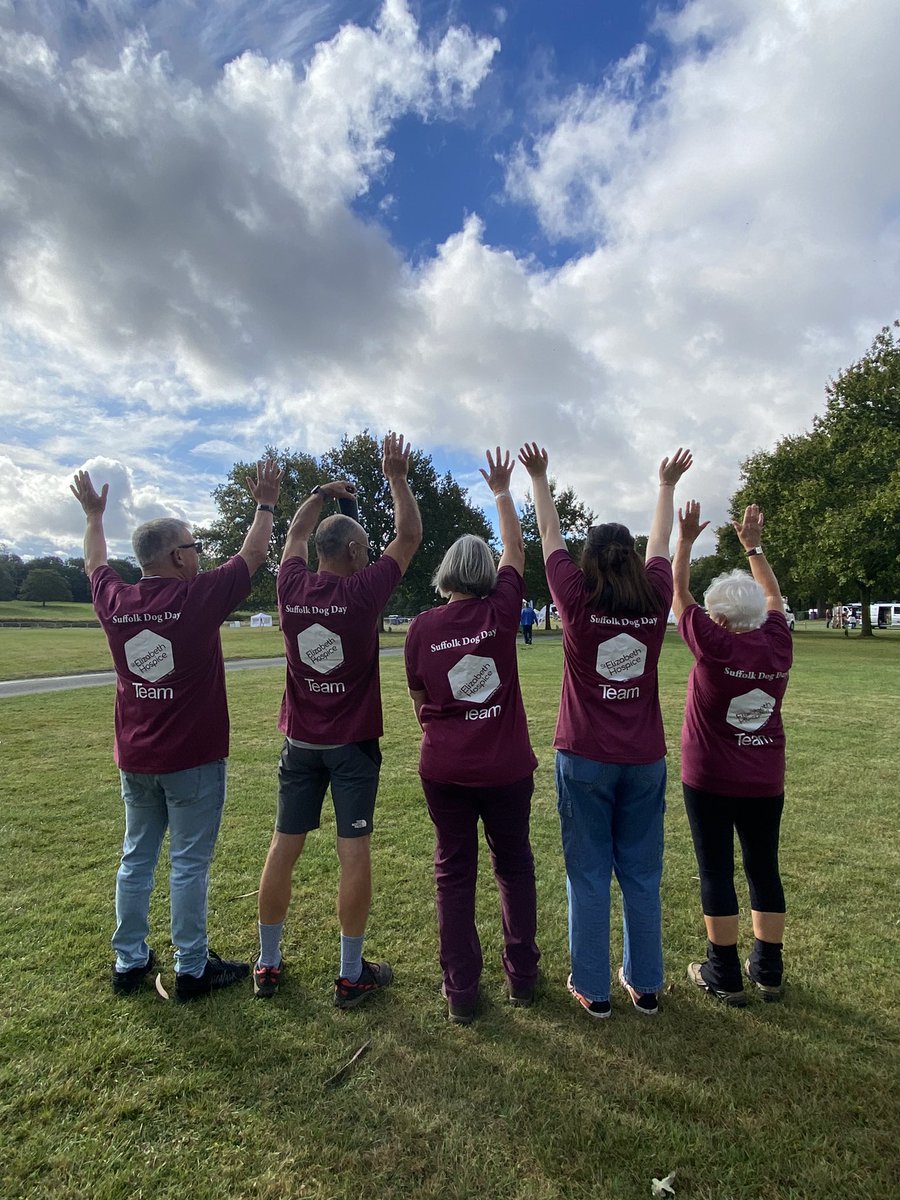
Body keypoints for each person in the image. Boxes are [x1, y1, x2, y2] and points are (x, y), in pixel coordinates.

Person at [71, 460, 283, 1002]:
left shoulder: (117, 600)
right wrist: (264, 505)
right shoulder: (194, 597)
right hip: (191, 758)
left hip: (136, 757)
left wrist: (94, 517)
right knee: (188, 863)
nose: (199, 555)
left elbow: (94, 562)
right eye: (192, 547)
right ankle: (192, 969)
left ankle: (129, 961)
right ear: (174, 556)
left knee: (136, 856)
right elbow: (253, 557)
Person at [518, 442, 693, 1018]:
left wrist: (541, 477)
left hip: (586, 757)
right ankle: (645, 985)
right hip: (644, 759)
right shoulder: (655, 597)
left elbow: (549, 537)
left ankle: (593, 989)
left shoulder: (575, 598)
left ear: (590, 560)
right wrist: (664, 486)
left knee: (588, 874)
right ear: (632, 558)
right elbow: (662, 543)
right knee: (642, 875)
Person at [253, 432, 422, 1007]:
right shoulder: (362, 593)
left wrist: (322, 491)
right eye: (366, 547)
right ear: (352, 553)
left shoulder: (291, 584)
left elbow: (296, 534)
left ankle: (267, 963)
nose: (374, 553)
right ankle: (351, 974)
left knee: (283, 846)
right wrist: (396, 476)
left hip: (300, 743)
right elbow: (410, 536)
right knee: (354, 852)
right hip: (352, 746)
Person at [404, 449, 540, 1024]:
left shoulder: (421, 627)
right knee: (513, 867)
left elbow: (418, 700)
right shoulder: (502, 611)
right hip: (505, 766)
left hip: (445, 767)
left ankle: (461, 990)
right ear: (484, 575)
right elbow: (516, 551)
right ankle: (523, 979)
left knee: (453, 874)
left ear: (443, 575)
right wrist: (504, 492)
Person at [673, 502, 792, 1005]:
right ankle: (768, 968)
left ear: (718, 618)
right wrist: (753, 547)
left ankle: (723, 972)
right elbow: (773, 596)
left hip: (710, 778)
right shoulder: (777, 643)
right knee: (764, 867)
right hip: (765, 776)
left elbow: (677, 593)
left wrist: (683, 542)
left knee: (717, 869)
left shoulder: (712, 644)